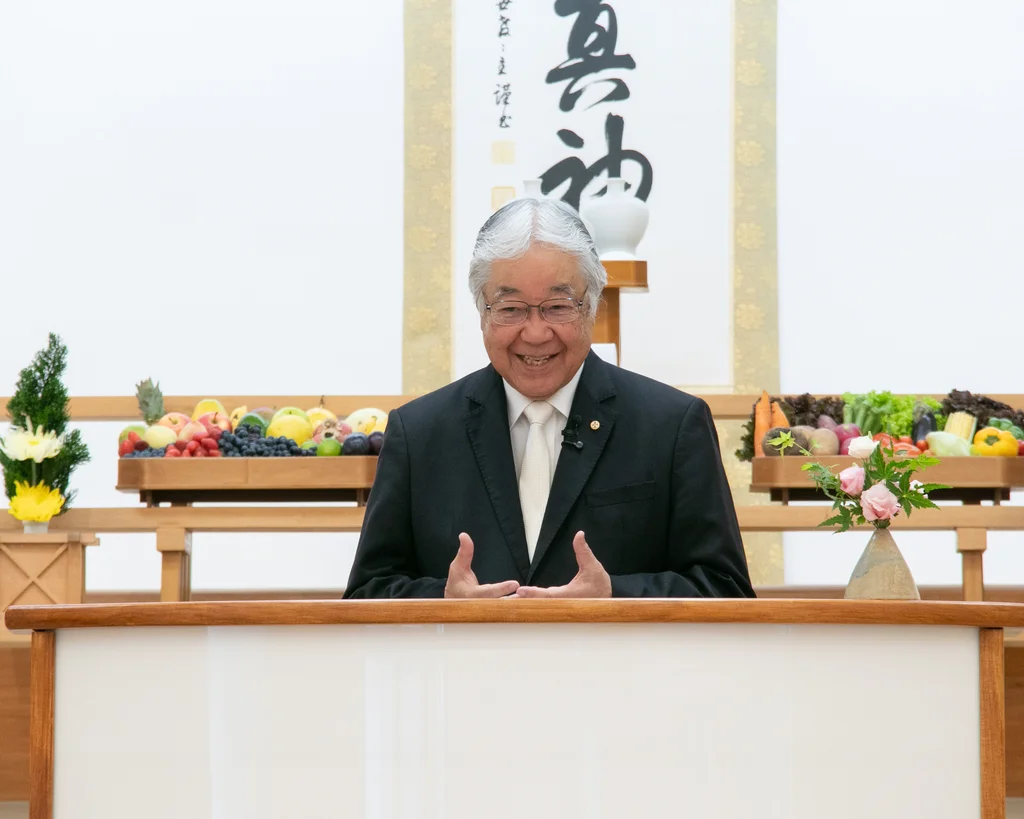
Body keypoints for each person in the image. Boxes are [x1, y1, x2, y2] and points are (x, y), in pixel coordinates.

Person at [344, 198, 755, 599]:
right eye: (511, 309)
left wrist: (615, 596)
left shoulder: (672, 425)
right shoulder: (418, 433)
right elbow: (367, 592)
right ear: (482, 312)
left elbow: (725, 588)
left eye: (558, 306)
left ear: (592, 306)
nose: (536, 333)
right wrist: (445, 603)